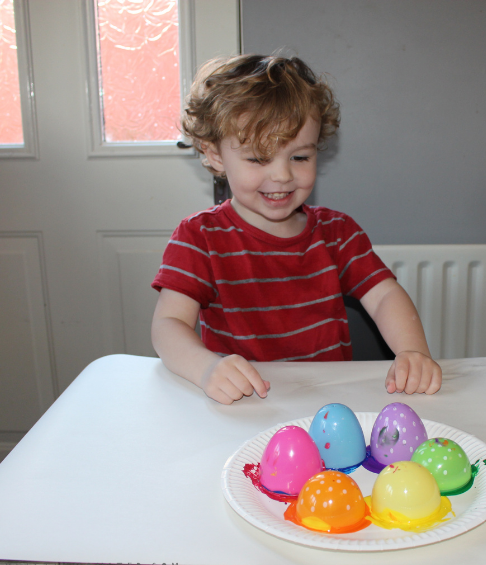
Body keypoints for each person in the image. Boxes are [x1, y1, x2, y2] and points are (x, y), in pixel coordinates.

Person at [151, 54, 441, 405]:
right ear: (214, 155)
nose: (282, 176)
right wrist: (206, 368)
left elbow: (383, 296)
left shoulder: (338, 232)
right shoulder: (199, 238)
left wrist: (413, 352)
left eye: (299, 157)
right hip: (244, 405)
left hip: (328, 407)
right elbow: (168, 324)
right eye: (258, 158)